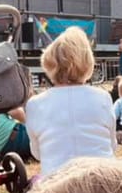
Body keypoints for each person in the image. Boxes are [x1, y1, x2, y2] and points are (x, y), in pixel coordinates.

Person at [25, 27, 116, 178]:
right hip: (102, 183)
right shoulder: (103, 97)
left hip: (57, 188)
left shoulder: (35, 104)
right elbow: (112, 146)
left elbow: (37, 153)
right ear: (88, 62)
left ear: (49, 63)